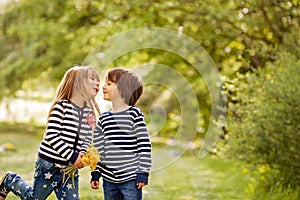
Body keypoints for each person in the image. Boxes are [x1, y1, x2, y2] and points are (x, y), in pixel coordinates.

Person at [0, 65, 101, 200]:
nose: (97, 83)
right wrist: (73, 156)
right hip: (49, 165)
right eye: (92, 79)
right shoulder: (62, 107)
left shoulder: (89, 113)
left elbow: (87, 138)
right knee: (34, 198)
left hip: (69, 170)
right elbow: (52, 136)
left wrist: (82, 154)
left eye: (98, 80)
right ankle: (10, 180)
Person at [90, 68, 152, 200]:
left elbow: (144, 146)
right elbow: (99, 149)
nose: (103, 87)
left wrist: (143, 172)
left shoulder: (134, 115)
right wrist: (96, 172)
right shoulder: (103, 119)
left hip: (130, 178)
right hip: (109, 179)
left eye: (109, 84)